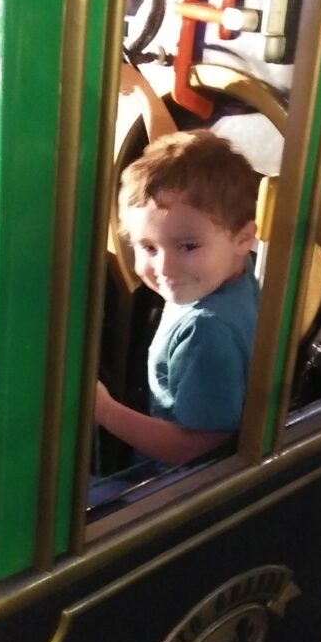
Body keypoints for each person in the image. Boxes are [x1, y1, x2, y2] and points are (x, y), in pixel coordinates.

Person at [94, 128, 260, 471]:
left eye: (188, 246)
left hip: (171, 484)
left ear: (243, 239)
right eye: (148, 247)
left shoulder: (207, 331)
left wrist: (104, 409)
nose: (164, 268)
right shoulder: (227, 270)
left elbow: (199, 451)